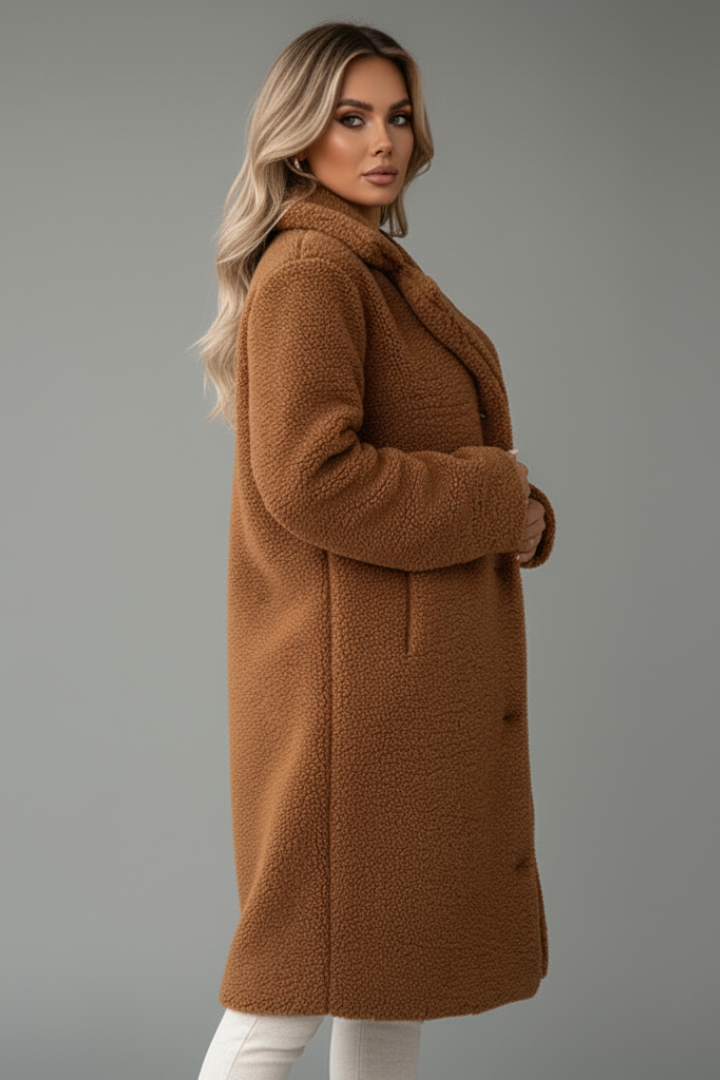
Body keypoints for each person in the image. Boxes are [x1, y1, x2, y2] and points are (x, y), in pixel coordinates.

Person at [196, 20, 556, 1080]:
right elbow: (310, 478)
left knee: (386, 980)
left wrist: (519, 510)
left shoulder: (361, 264)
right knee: (285, 996)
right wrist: (496, 498)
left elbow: (408, 454)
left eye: (397, 116)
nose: (382, 140)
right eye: (350, 117)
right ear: (299, 136)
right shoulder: (314, 268)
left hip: (385, 694)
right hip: (350, 703)